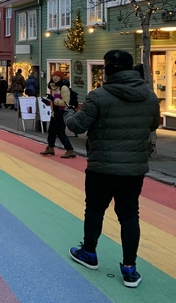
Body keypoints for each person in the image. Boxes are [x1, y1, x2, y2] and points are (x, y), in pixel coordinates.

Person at [64, 50, 160, 289]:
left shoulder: (99, 96)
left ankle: (89, 253)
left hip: (102, 168)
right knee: (129, 216)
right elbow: (153, 124)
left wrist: (66, 111)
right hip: (134, 170)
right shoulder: (149, 97)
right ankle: (129, 269)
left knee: (95, 211)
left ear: (107, 70)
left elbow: (77, 125)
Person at [40, 71, 77, 158]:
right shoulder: (54, 87)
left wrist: (53, 99)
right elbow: (54, 101)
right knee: (51, 131)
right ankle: (50, 147)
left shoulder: (64, 88)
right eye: (54, 76)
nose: (55, 78)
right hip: (54, 113)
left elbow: (65, 103)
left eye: (57, 76)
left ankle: (70, 150)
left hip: (62, 112)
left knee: (60, 132)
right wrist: (47, 101)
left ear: (61, 78)